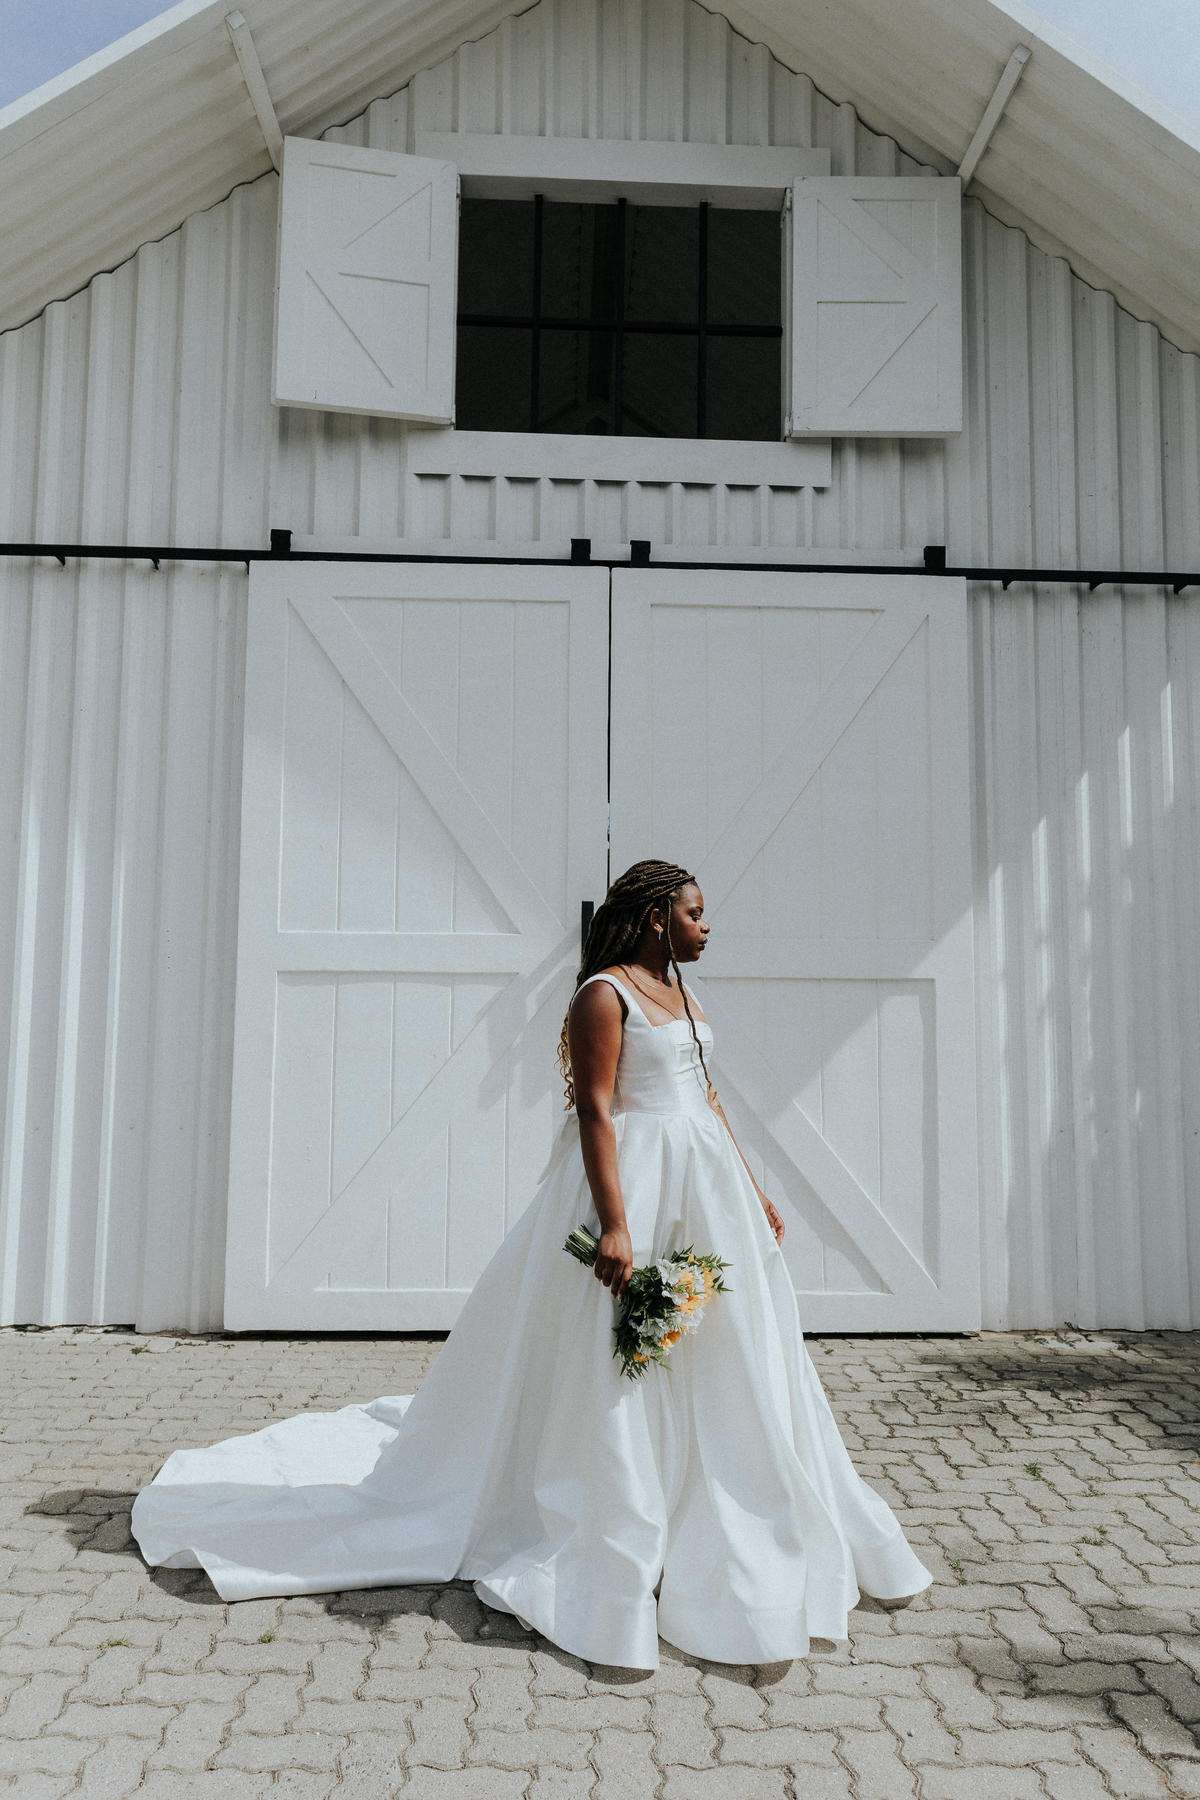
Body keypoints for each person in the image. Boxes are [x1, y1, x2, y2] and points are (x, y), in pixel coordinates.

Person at [130, 859, 930, 1669]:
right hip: (635, 1183)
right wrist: (615, 1224)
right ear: (657, 917)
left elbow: (708, 1097)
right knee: (615, 1352)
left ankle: (723, 1501)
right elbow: (596, 1110)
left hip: (707, 1186)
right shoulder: (604, 996)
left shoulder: (683, 993)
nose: (707, 925)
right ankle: (620, 1512)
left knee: (732, 1350)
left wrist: (753, 1191)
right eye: (695, 913)